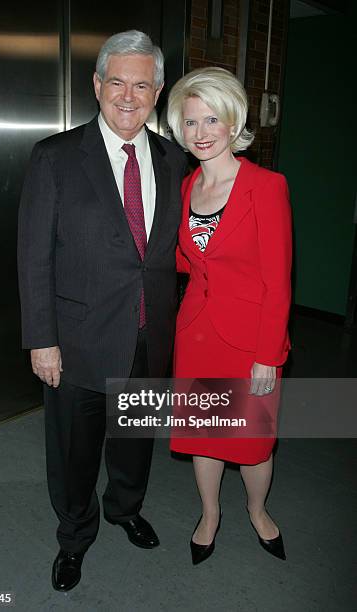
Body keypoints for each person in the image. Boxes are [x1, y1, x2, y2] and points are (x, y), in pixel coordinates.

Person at [17, 30, 187, 591]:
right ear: (96, 85)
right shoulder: (56, 157)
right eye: (117, 81)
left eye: (142, 84)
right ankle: (75, 534)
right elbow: (33, 256)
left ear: (158, 91)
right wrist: (42, 339)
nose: (128, 96)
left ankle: (124, 508)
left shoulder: (174, 160)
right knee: (73, 452)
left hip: (147, 336)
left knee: (135, 441)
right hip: (78, 340)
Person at [167, 67, 292, 565]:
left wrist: (268, 357)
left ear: (233, 121)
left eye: (211, 119)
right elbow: (190, 258)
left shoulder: (265, 186)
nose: (200, 132)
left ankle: (257, 509)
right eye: (191, 121)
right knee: (205, 434)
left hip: (250, 342)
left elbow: (277, 281)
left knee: (254, 441)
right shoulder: (187, 186)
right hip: (196, 334)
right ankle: (210, 513)